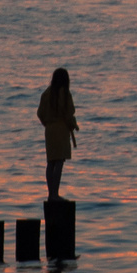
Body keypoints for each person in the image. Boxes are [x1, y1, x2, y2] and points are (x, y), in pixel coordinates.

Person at [37, 67, 79, 201]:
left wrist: (47, 123)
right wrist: (73, 125)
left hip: (49, 130)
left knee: (51, 162)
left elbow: (40, 113)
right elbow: (68, 113)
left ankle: (51, 194)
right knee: (59, 161)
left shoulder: (46, 93)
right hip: (61, 129)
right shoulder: (65, 94)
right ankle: (55, 194)